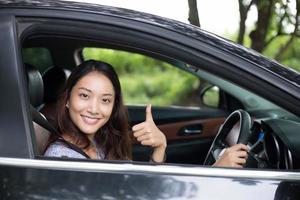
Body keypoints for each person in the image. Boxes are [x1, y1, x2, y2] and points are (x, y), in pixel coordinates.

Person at [44, 59, 248, 166]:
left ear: (114, 105)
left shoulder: (95, 140)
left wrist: (160, 148)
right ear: (68, 100)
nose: (95, 109)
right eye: (85, 96)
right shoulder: (63, 159)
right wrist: (216, 173)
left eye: (105, 100)